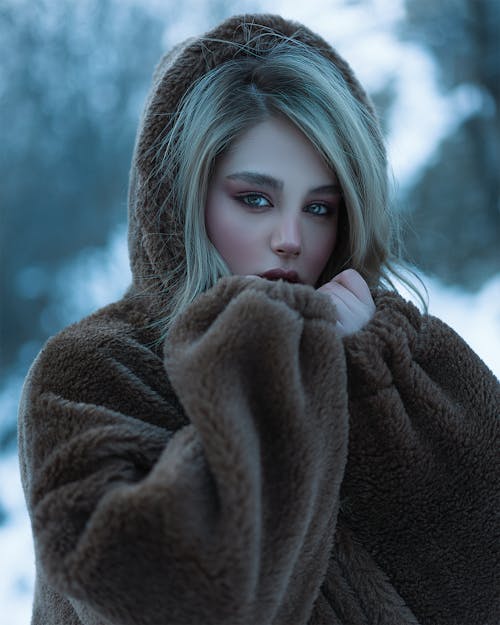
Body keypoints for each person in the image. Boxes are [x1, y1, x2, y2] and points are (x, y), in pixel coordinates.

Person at [18, 13, 498, 625]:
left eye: (320, 207)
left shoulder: (391, 348)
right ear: (185, 197)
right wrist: (273, 372)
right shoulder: (92, 373)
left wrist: (376, 380)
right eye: (255, 199)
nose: (292, 238)